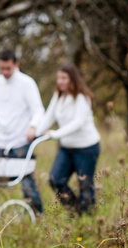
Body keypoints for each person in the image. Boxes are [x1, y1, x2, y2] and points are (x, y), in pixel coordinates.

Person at [0, 49, 45, 213]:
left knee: (26, 179)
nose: (5, 72)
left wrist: (33, 126)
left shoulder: (27, 83)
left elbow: (38, 110)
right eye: (2, 68)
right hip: (0, 139)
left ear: (16, 64)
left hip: (20, 140)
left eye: (8, 68)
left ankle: (37, 214)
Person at [36, 64, 101, 216]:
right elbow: (48, 117)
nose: (60, 81)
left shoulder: (81, 98)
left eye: (64, 78)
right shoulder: (58, 96)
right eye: (59, 78)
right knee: (55, 180)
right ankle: (75, 210)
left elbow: (77, 123)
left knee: (85, 186)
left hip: (86, 148)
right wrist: (35, 133)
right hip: (67, 148)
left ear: (73, 79)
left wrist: (55, 134)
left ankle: (87, 219)